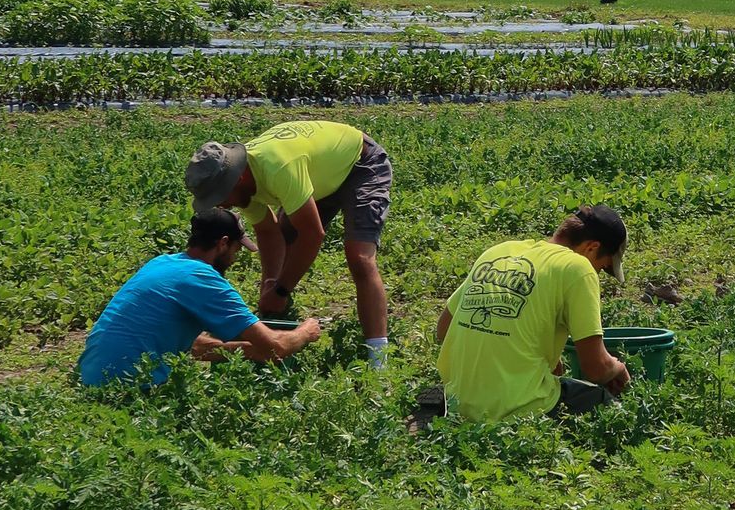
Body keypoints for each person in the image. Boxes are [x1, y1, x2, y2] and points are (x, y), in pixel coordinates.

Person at [184, 121, 393, 363]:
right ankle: (277, 325)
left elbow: (313, 235)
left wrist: (281, 289)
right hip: (319, 175)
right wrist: (271, 284)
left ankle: (379, 361)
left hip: (360, 163)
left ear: (238, 179)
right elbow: (268, 232)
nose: (220, 205)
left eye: (220, 197)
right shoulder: (243, 186)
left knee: (359, 256)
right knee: (288, 238)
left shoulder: (277, 168)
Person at [428, 207, 633, 423]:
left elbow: (443, 330)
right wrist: (618, 368)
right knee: (608, 407)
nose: (598, 273)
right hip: (520, 411)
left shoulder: (500, 251)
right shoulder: (577, 268)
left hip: (458, 403)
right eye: (602, 267)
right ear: (592, 248)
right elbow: (597, 369)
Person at [78, 209, 322, 387]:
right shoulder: (203, 278)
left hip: (90, 378)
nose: (235, 258)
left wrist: (249, 351)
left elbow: (193, 346)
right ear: (223, 243)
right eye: (237, 249)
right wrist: (304, 333)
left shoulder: (161, 263)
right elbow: (276, 347)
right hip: (132, 388)